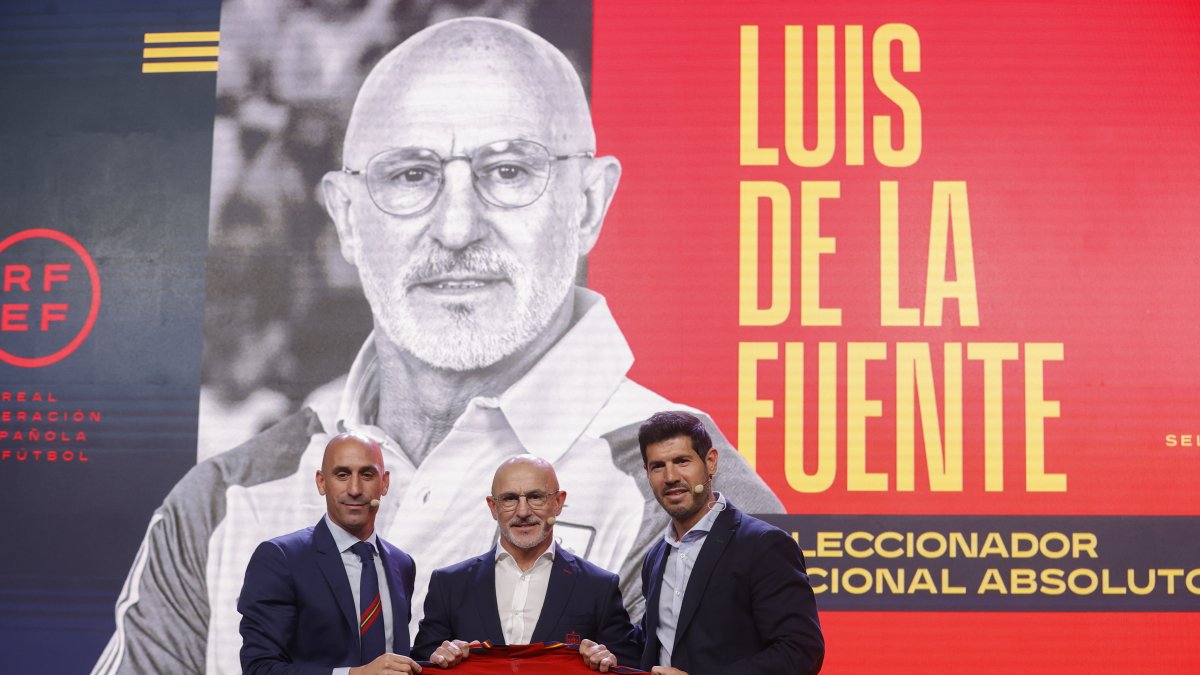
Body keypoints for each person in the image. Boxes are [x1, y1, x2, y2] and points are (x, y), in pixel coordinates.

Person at [93, 17, 782, 675]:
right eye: (410, 175)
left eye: (508, 171)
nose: (456, 228)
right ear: (346, 217)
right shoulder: (224, 500)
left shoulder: (699, 503)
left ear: (588, 203)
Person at [615, 411, 824, 675]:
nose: (670, 477)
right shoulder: (655, 557)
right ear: (647, 473)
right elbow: (658, 643)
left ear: (711, 462)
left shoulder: (763, 545)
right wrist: (607, 652)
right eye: (658, 466)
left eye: (682, 461)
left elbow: (800, 650)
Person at [412, 456, 638, 671]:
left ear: (558, 502)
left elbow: (627, 665)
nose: (523, 512)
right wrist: (438, 656)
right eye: (510, 498)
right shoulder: (449, 584)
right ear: (493, 507)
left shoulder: (598, 586)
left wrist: (608, 661)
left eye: (536, 497)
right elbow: (421, 662)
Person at [237, 432, 420, 675]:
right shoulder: (280, 559)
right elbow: (260, 668)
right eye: (342, 475)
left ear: (384, 483)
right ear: (321, 482)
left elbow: (394, 658)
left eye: (367, 475)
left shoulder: (402, 564)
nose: (355, 489)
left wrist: (440, 656)